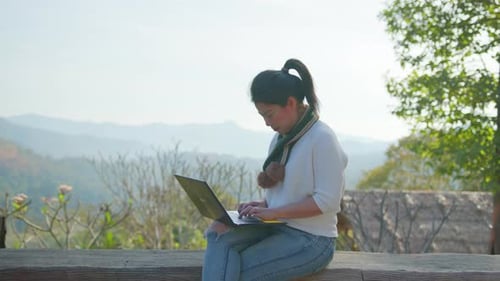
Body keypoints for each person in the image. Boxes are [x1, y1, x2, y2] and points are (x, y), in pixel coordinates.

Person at [202, 58, 348, 281]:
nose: (267, 123)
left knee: (234, 270)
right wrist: (263, 206)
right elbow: (288, 194)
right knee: (218, 231)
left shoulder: (322, 139)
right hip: (278, 226)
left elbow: (327, 202)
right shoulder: (281, 139)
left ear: (290, 103)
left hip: (312, 240)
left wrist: (275, 212)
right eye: (262, 116)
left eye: (269, 114)